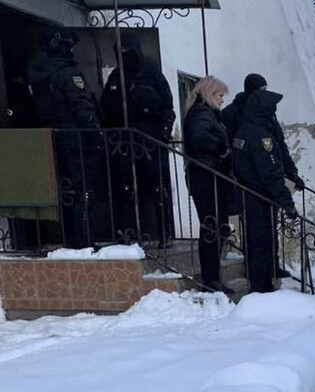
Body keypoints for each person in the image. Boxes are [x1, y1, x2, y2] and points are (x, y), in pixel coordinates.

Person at [27, 28, 101, 248]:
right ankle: (85, 240)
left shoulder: (37, 72)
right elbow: (81, 106)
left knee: (64, 190)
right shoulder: (68, 73)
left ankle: (69, 239)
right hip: (75, 138)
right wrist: (95, 132)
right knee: (82, 191)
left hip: (51, 139)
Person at [222, 73, 301, 278]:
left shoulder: (266, 115)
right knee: (256, 231)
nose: (265, 94)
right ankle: (258, 274)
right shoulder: (237, 113)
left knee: (267, 229)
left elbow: (280, 145)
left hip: (264, 181)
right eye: (262, 90)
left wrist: (292, 172)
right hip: (251, 180)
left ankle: (271, 266)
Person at [101, 33, 176, 246]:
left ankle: (164, 233)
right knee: (126, 188)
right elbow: (106, 107)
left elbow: (168, 108)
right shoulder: (116, 76)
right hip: (123, 143)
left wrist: (162, 133)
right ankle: (127, 233)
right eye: (120, 51)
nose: (124, 55)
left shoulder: (152, 74)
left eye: (127, 50)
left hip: (150, 141)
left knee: (157, 189)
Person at [183, 76, 233, 293]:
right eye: (220, 95)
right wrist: (221, 147)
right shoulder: (202, 113)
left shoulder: (206, 113)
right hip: (205, 176)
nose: (222, 100)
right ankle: (210, 277)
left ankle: (213, 276)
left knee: (217, 225)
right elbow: (198, 137)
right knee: (212, 225)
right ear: (209, 93)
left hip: (210, 174)